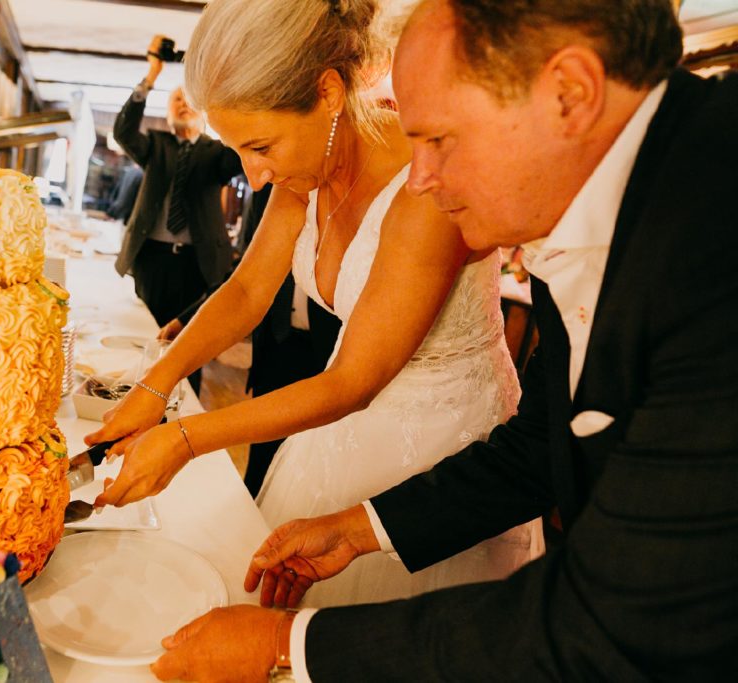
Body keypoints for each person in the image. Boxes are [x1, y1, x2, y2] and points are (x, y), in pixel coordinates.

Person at [149, 1, 738, 681]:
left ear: (569, 94)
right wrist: (366, 526)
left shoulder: (712, 240)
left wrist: (291, 644)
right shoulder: (575, 211)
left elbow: (622, 617)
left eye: (440, 140)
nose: (420, 179)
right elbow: (540, 445)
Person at [87, 0, 540, 606]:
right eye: (239, 150)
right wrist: (155, 383)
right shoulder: (312, 165)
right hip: (340, 426)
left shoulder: (423, 185)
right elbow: (248, 290)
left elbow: (354, 381)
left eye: (261, 146)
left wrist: (189, 438)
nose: (255, 174)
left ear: (327, 93)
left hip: (441, 441)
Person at [160, 185, 343, 497]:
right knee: (261, 460)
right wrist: (185, 320)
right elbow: (244, 279)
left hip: (333, 352)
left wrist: (186, 438)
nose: (256, 178)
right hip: (276, 343)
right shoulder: (275, 189)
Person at [113, 34, 244, 331]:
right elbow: (123, 131)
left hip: (199, 263)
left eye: (189, 100)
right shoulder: (156, 146)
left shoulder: (219, 152)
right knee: (144, 334)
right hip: (151, 260)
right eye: (176, 100)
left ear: (205, 110)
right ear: (168, 112)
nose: (183, 104)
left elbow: (240, 155)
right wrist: (152, 75)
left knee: (188, 341)